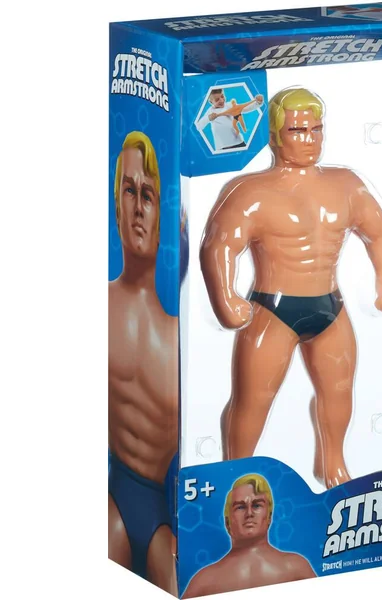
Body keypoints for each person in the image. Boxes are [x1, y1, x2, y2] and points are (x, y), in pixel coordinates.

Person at [200, 87, 382, 489]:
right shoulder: (251, 191)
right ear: (275, 136)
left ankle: (332, 466)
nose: (310, 139)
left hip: (330, 306)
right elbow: (218, 246)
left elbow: (380, 233)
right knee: (253, 400)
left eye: (316, 129)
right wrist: (225, 299)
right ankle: (234, 475)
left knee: (339, 391)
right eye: (297, 130)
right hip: (271, 310)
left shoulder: (346, 185)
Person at [108, 131, 178, 593]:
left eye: (148, 195)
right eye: (129, 191)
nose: (137, 208)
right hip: (110, 501)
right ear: (116, 204)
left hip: (160, 512)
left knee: (178, 582)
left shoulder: (179, 339)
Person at [182, 474, 315, 597]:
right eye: (240, 507)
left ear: (269, 516)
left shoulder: (296, 568)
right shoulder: (204, 582)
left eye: (257, 505)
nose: (249, 513)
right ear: (227, 521)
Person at [195, 88, 264, 151]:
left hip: (239, 143)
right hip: (222, 147)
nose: (221, 100)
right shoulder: (210, 111)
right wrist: (208, 118)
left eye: (222, 96)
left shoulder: (229, 105)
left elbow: (245, 108)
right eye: (217, 100)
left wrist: (258, 103)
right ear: (211, 102)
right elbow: (198, 126)